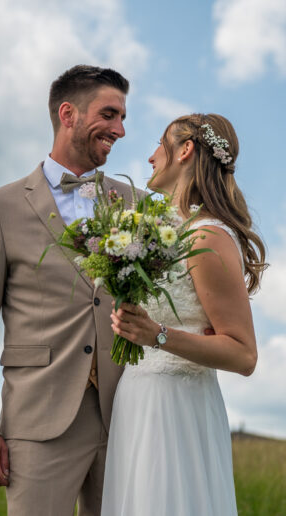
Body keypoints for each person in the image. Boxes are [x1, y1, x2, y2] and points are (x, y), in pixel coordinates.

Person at [0, 64, 138, 516]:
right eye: (110, 114)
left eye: (123, 118)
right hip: (39, 420)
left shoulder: (136, 205)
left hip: (130, 416)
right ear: (68, 114)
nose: (119, 129)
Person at [101, 113, 267, 515]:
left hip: (174, 406)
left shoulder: (206, 235)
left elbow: (244, 354)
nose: (150, 156)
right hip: (136, 399)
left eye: (160, 143)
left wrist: (157, 334)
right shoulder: (161, 233)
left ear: (185, 151)